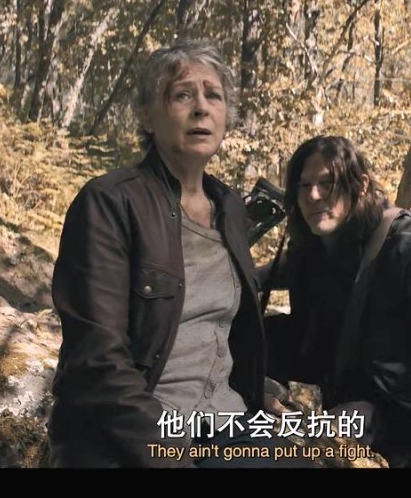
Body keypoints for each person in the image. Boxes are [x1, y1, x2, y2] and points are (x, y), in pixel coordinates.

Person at [48, 39, 305, 468]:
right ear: (147, 116)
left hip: (226, 425)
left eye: (213, 96)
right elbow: (98, 360)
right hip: (137, 433)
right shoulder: (110, 202)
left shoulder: (230, 208)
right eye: (183, 95)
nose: (201, 108)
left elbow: (224, 331)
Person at [262, 135, 411, 468]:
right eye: (304, 186)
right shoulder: (316, 248)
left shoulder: (410, 243)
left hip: (408, 413)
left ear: (360, 186)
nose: (313, 196)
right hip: (345, 396)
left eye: (327, 183)